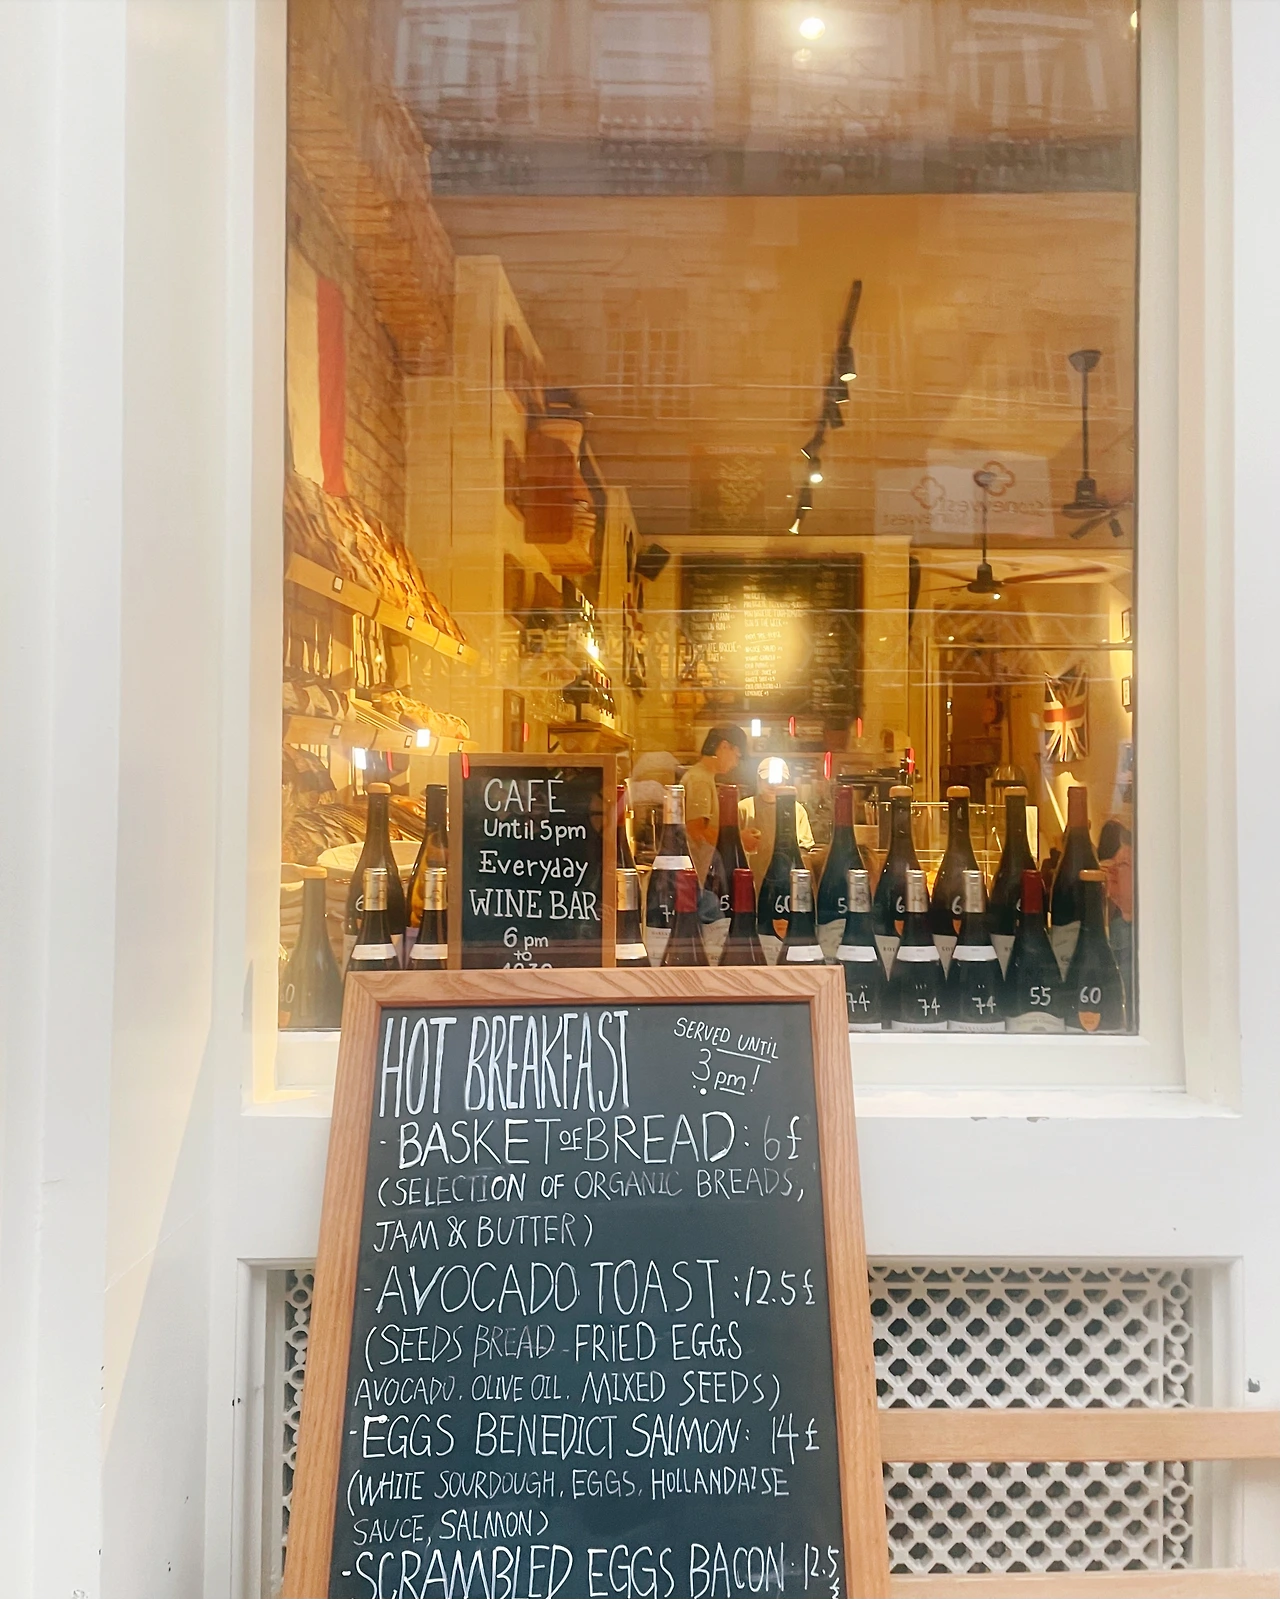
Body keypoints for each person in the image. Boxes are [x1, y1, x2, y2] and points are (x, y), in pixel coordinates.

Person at [681, 724, 748, 883]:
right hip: (699, 874)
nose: (736, 763)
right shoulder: (700, 780)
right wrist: (738, 839)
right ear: (724, 746)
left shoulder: (704, 776)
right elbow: (695, 832)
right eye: (737, 755)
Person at [739, 756, 817, 887]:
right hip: (752, 879)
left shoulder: (796, 810)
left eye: (778, 780)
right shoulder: (744, 808)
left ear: (786, 781)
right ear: (758, 780)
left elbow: (804, 852)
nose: (773, 784)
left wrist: (809, 886)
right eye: (767, 779)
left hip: (786, 881)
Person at [1098, 819, 1134, 1010]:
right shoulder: (1115, 930)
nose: (1112, 870)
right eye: (1113, 863)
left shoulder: (1150, 940)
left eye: (1122, 865)